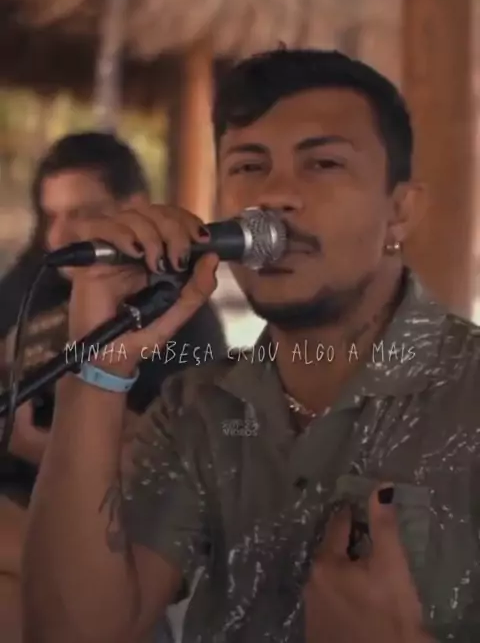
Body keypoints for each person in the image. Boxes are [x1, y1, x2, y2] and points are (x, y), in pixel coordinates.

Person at [22, 49, 474, 643]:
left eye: (323, 163)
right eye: (248, 165)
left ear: (400, 212)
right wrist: (98, 364)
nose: (276, 194)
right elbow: (72, 632)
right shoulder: (199, 410)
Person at [0, 131, 226, 641]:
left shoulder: (181, 314)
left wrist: (41, 443)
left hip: (100, 526)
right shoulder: (33, 280)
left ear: (135, 207)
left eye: (82, 213)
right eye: (50, 216)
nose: (60, 234)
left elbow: (166, 469)